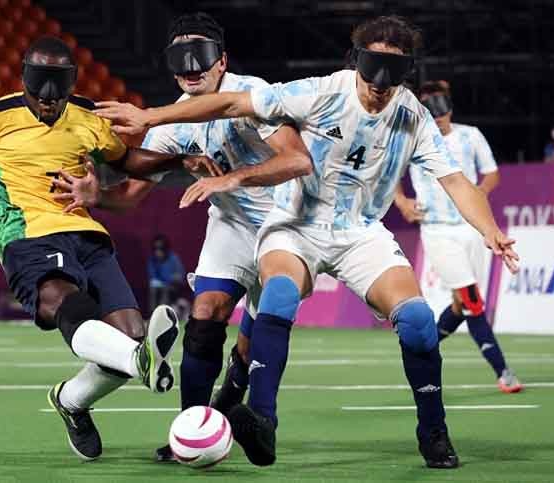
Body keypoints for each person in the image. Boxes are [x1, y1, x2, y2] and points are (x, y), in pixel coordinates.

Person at [96, 15, 520, 469]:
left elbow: (455, 180)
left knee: (417, 321)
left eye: (393, 72)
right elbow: (230, 104)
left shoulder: (412, 114)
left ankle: (433, 432)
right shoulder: (322, 91)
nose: (380, 83)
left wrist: (490, 229)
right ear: (356, 61)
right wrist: (150, 118)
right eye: (372, 66)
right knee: (268, 298)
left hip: (360, 232)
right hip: (294, 224)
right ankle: (261, 422)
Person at [0, 36, 221, 462]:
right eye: (38, 90)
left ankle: (72, 400)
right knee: (64, 303)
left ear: (70, 84)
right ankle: (140, 362)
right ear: (24, 80)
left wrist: (179, 160)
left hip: (87, 234)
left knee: (128, 332)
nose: (47, 100)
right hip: (28, 235)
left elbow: (127, 161)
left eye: (58, 90)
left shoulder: (88, 115)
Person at [53, 12, 312, 464]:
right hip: (230, 226)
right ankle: (191, 427)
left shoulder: (256, 96)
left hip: (288, 226)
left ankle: (232, 394)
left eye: (202, 56)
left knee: (250, 347)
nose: (191, 67)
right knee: (206, 313)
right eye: (180, 57)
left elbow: (296, 160)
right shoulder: (173, 125)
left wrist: (234, 178)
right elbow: (130, 195)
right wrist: (96, 195)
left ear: (222, 61)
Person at [395, 80, 523, 393]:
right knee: (471, 300)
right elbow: (392, 175)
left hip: (470, 227)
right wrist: (401, 201)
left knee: (460, 305)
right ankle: (503, 371)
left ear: (449, 108)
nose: (437, 116)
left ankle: (421, 349)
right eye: (430, 109)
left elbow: (491, 172)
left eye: (441, 109)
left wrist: (479, 193)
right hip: (437, 229)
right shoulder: (413, 140)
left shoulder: (470, 136)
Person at [147, 235, 185, 314]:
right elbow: (152, 275)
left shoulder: (173, 258)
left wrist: (169, 280)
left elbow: (180, 276)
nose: (158, 252)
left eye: (161, 249)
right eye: (155, 249)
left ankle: (162, 313)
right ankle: (153, 313)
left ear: (166, 249)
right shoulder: (152, 259)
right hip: (159, 285)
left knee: (165, 290)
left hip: (172, 286)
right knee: (153, 289)